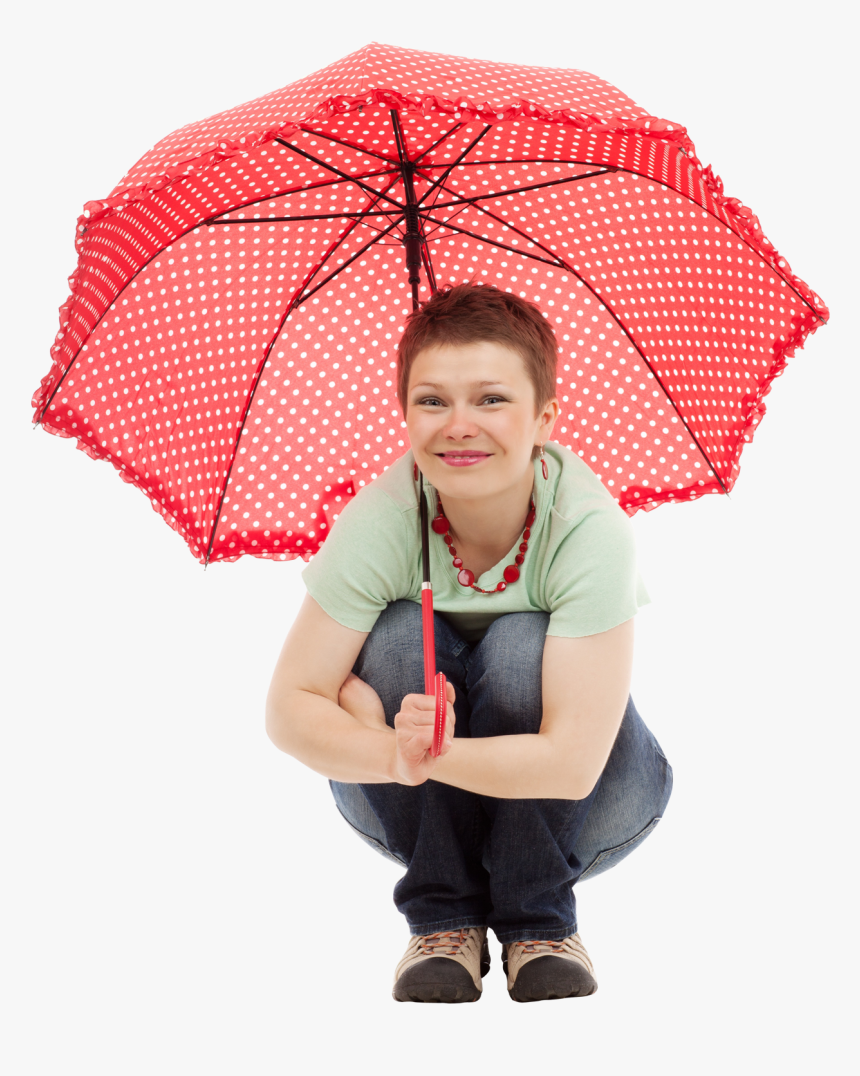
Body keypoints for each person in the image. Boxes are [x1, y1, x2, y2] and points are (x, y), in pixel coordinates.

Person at [265, 283, 673, 1004]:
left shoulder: (589, 529)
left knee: (520, 643)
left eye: (490, 399)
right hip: (418, 815)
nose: (459, 425)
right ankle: (444, 917)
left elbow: (574, 766)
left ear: (545, 417)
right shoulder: (384, 519)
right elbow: (288, 709)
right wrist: (389, 753)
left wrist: (430, 754)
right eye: (432, 401)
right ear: (404, 412)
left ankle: (537, 920)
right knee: (395, 644)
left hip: (594, 803)